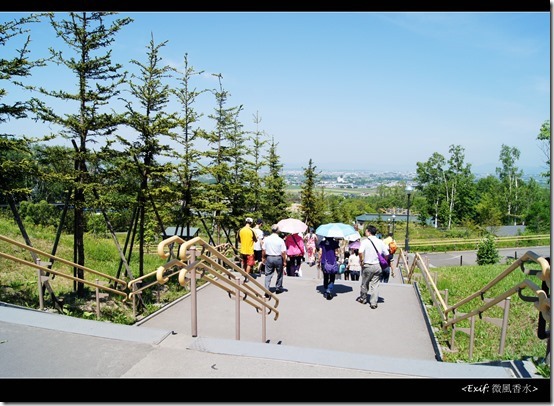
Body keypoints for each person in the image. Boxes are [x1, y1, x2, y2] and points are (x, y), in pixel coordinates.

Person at [357, 225, 389, 309]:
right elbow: (387, 254)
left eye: (366, 231)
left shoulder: (365, 241)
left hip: (367, 265)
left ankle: (363, 298)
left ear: (368, 232)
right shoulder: (380, 241)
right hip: (377, 265)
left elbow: (360, 252)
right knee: (375, 285)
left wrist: (361, 260)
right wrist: (383, 262)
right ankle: (373, 303)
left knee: (365, 283)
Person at [262, 224, 287, 295]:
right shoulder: (280, 240)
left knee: (268, 274)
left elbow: (263, 250)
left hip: (269, 257)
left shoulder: (267, 239)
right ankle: (278, 287)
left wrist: (263, 257)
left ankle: (266, 289)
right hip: (278, 258)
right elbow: (283, 252)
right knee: (279, 273)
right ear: (278, 231)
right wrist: (284, 261)